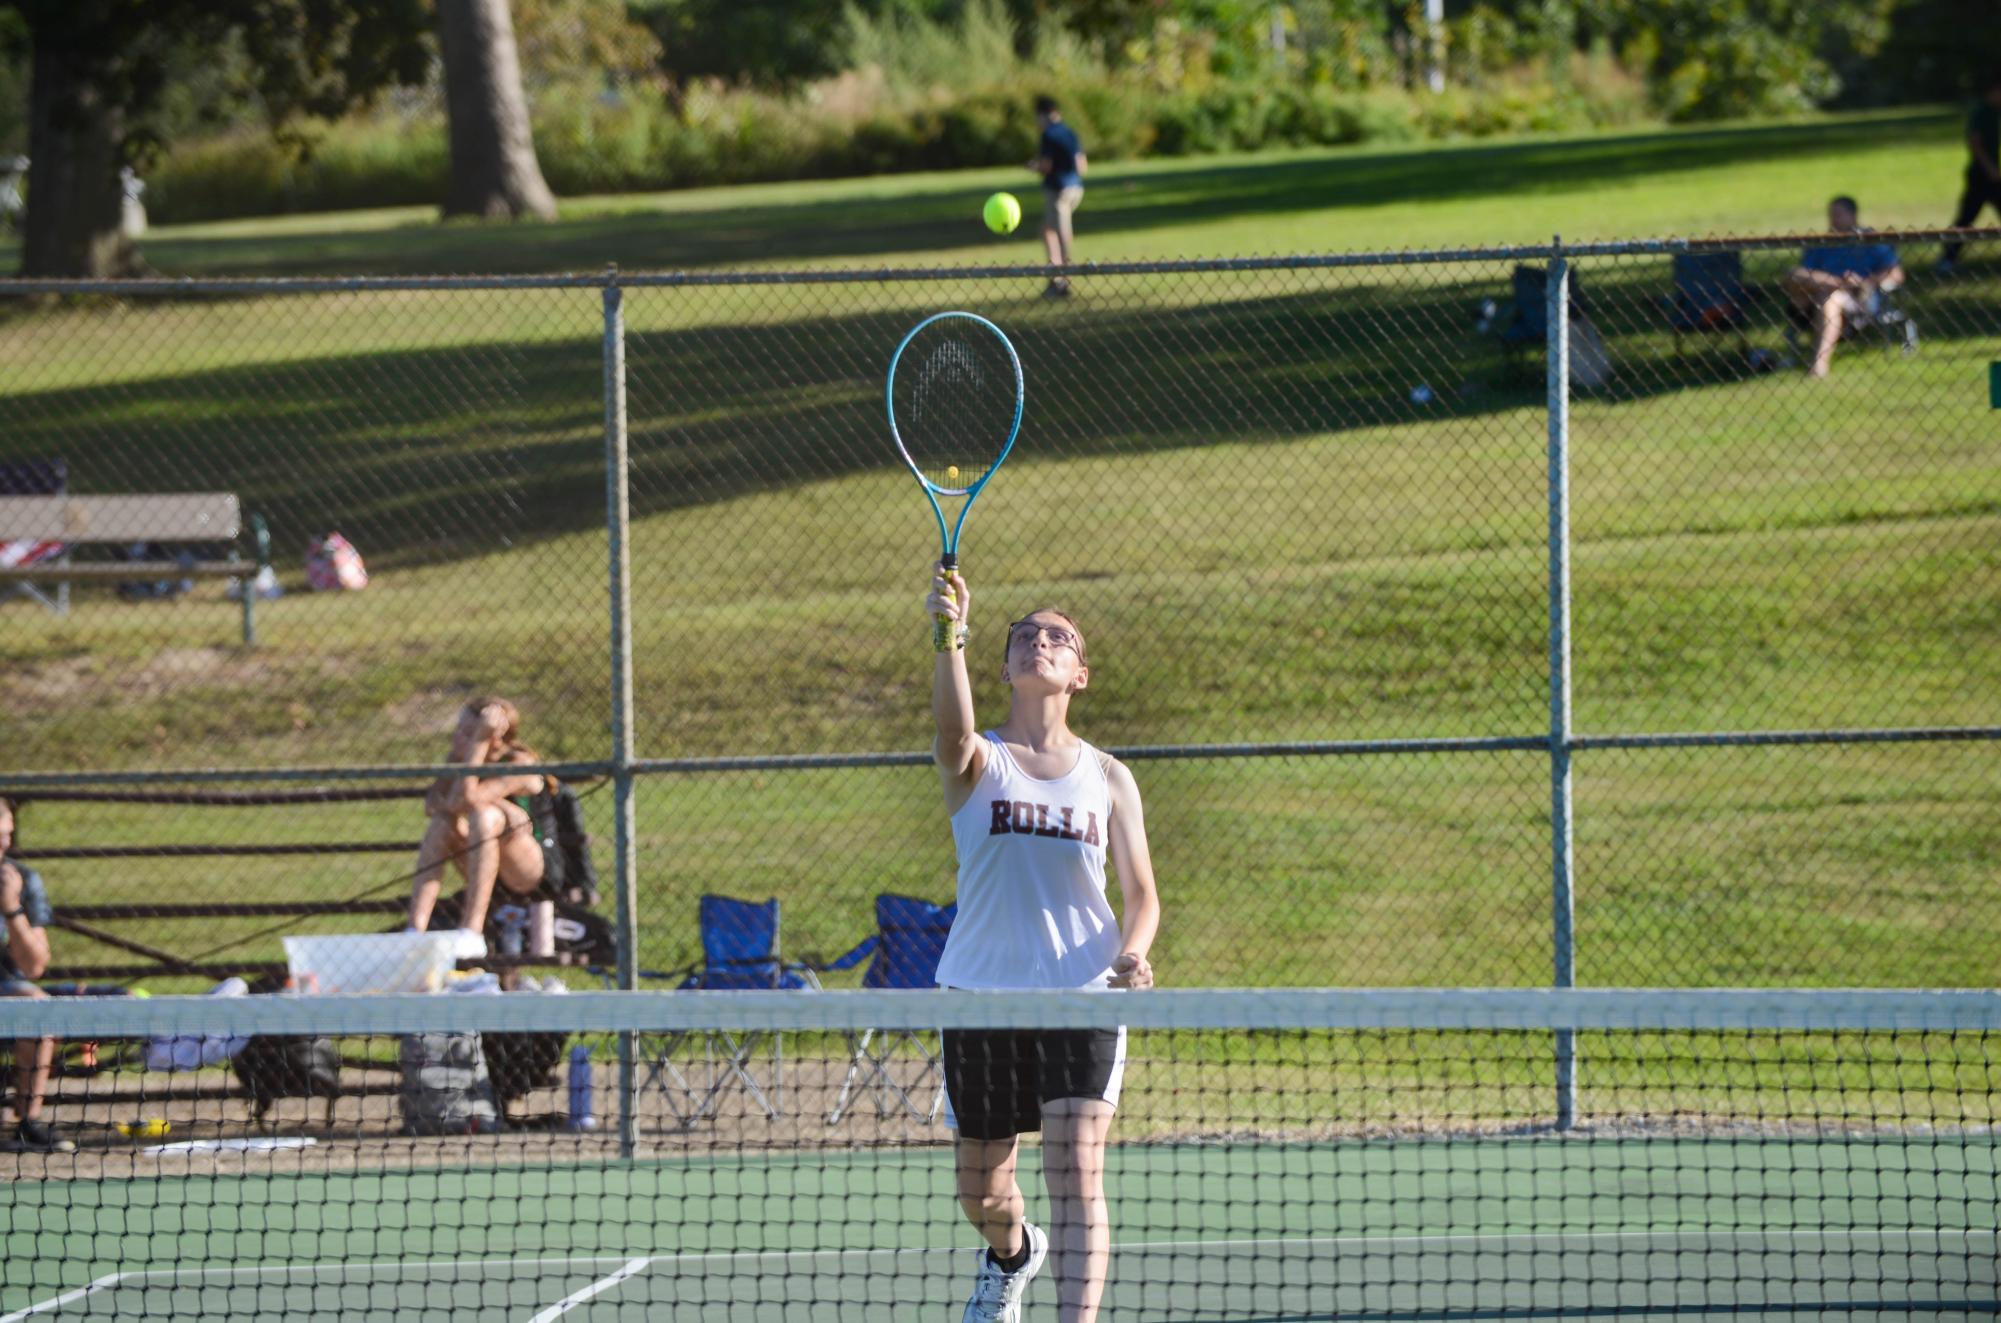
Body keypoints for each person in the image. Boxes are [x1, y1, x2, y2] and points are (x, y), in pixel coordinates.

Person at [925, 566, 1161, 1323]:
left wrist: (1133, 950)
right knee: (982, 1192)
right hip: (979, 993)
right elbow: (951, 731)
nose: (1039, 641)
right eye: (1024, 634)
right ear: (1003, 666)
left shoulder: (1109, 777)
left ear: (1078, 674)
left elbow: (1142, 895)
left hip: (1081, 990)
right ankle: (1011, 1254)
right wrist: (946, 635)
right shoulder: (977, 762)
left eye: (1058, 636)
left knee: (1074, 1165)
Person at [406, 698, 553, 939]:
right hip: (484, 866)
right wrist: (503, 805)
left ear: (494, 737)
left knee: (484, 815)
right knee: (443, 822)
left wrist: (478, 743)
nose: (457, 739)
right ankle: (414, 930)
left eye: (467, 733)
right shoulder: (458, 759)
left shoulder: (518, 762)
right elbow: (434, 805)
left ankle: (471, 930)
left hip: (530, 870)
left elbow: (469, 798)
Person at [0, 796, 74, 1154]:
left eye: (7, 835)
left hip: (7, 991)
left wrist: (11, 907)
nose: (4, 845)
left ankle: (27, 1121)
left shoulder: (23, 880)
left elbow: (34, 966)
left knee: (39, 1008)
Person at [1782, 196, 1905, 379]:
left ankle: (1819, 365)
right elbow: (1801, 275)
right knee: (1793, 274)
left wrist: (1864, 282)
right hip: (1812, 299)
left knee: (1830, 299)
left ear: (1853, 216)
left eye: (1838, 214)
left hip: (1858, 300)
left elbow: (1896, 275)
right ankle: (1835, 283)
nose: (1833, 219)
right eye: (1831, 215)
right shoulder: (1822, 243)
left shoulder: (1871, 241)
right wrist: (1836, 282)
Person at [1938, 74, 2001, 275]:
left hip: (1990, 173)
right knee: (1966, 218)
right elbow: (1975, 142)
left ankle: (1949, 256)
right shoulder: (1982, 112)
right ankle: (1948, 258)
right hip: (1982, 174)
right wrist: (1990, 167)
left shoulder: (1993, 112)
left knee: (1966, 217)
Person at [1030, 96, 1087, 298]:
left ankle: (1062, 281)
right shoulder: (1070, 132)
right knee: (1047, 231)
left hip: (1059, 191)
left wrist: (1033, 166)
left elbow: (1046, 165)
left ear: (1042, 114)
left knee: (1061, 234)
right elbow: (1082, 165)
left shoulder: (1048, 135)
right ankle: (1055, 275)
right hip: (1075, 189)